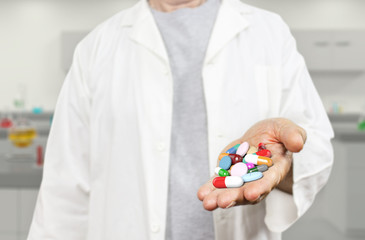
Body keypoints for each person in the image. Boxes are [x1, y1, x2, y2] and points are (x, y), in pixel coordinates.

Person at [27, 0, 334, 239]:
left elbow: (315, 148)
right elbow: (64, 191)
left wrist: (283, 162)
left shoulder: (268, 32)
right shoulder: (97, 47)